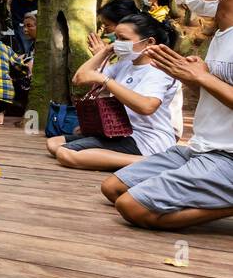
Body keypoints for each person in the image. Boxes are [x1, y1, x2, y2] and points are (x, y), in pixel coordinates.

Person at [102, 0, 233, 229]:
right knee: (113, 189)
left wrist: (203, 77)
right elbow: (215, 90)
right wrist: (188, 74)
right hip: (200, 148)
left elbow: (208, 83)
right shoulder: (222, 35)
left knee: (131, 206)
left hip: (228, 155)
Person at [46, 14, 180, 171]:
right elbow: (79, 78)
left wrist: (106, 81)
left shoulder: (158, 70)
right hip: (120, 132)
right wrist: (105, 52)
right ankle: (130, 159)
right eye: (116, 38)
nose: (118, 43)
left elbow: (147, 107)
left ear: (149, 42)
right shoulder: (126, 64)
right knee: (53, 143)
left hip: (147, 140)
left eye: (123, 39)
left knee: (66, 153)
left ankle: (151, 162)